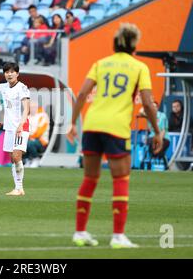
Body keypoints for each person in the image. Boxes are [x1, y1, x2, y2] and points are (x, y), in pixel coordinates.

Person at [67, 23, 162, 248]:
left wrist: (72, 122)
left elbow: (81, 93)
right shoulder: (139, 67)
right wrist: (157, 130)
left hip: (92, 124)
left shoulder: (100, 64)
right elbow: (148, 103)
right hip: (116, 127)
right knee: (120, 179)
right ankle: (118, 236)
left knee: (90, 178)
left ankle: (80, 232)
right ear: (134, 44)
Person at [0, 63, 30, 196]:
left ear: (17, 74)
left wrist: (21, 124)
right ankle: (18, 189)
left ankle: (20, 188)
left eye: (12, 72)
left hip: (21, 126)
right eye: (6, 72)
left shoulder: (22, 88)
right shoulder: (4, 86)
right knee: (13, 158)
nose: (9, 74)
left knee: (17, 156)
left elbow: (26, 109)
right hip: (10, 127)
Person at [139, 101, 170, 169]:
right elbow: (141, 112)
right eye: (152, 107)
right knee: (150, 143)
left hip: (164, 137)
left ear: (157, 107)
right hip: (152, 137)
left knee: (159, 146)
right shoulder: (149, 116)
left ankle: (162, 163)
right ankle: (151, 161)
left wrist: (160, 141)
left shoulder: (162, 116)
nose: (153, 108)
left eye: (155, 107)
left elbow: (163, 130)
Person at [26, 101, 50, 168]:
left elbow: (39, 132)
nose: (32, 108)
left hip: (42, 141)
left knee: (30, 143)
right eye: (31, 107)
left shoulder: (43, 116)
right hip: (30, 139)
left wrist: (29, 137)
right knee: (22, 143)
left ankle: (36, 159)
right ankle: (28, 160)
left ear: (37, 107)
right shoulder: (28, 117)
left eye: (34, 107)